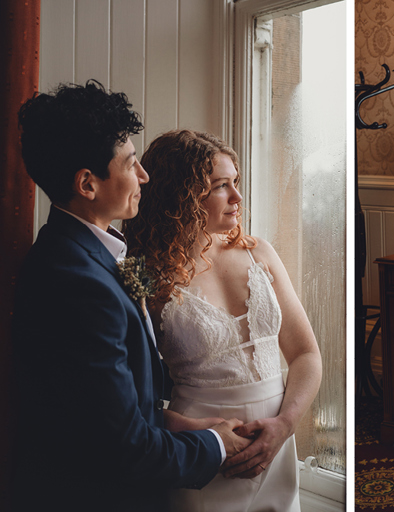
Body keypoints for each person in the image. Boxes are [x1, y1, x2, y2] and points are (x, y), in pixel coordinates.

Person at [12, 81, 251, 512]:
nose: (143, 176)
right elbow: (122, 445)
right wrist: (216, 446)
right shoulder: (73, 279)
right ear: (88, 184)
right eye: (132, 163)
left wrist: (178, 421)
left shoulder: (122, 253)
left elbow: (122, 388)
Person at [122, 129, 322, 512]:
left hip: (277, 443)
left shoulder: (259, 253)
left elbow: (305, 354)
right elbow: (129, 397)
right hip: (202, 448)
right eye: (220, 186)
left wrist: (285, 424)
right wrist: (193, 431)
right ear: (182, 194)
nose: (237, 197)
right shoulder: (146, 274)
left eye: (236, 182)